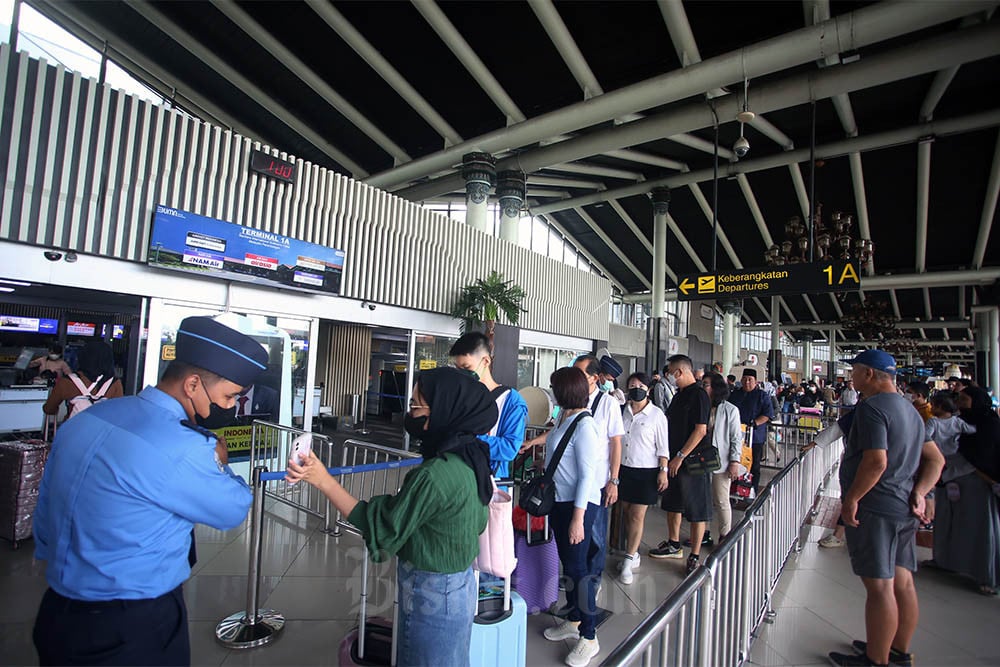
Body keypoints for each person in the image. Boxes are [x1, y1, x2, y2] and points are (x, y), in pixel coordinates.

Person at [32, 316, 267, 666]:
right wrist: (220, 460)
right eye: (229, 395)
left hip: (56, 612)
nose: (231, 406)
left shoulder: (90, 419)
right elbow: (232, 509)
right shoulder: (184, 446)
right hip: (131, 625)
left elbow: (46, 518)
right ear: (192, 385)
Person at [288, 366, 497, 667]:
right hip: (461, 587)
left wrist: (322, 479)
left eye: (415, 406)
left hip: (432, 594)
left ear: (445, 410)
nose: (409, 413)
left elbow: (380, 526)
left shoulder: (435, 475)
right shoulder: (472, 458)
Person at [828, 350, 944, 667]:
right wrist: (921, 492)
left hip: (877, 507)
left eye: (854, 371)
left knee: (879, 587)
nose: (850, 377)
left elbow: (876, 461)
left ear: (868, 374)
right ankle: (897, 650)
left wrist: (851, 498)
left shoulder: (873, 409)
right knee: (902, 582)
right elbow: (936, 460)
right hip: (904, 506)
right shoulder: (911, 411)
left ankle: (875, 660)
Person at [539, 367, 605, 667]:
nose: (551, 389)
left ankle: (589, 636)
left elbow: (587, 477)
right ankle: (575, 618)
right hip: (560, 503)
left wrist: (578, 519)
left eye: (554, 386)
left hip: (578, 506)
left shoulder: (585, 425)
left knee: (579, 570)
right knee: (570, 563)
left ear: (564, 390)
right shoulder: (564, 417)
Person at [931, 386, 1000, 596]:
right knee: (948, 522)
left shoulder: (989, 424)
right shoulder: (960, 420)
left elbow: (985, 455)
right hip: (950, 478)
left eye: (964, 398)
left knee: (979, 528)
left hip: (977, 482)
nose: (959, 402)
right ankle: (945, 560)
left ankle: (987, 576)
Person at [648, 354, 713, 574]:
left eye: (671, 372)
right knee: (672, 502)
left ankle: (695, 554)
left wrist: (680, 455)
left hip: (693, 461)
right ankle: (673, 544)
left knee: (697, 507)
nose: (669, 376)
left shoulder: (699, 395)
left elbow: (700, 430)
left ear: (681, 372)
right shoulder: (679, 395)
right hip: (675, 459)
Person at [449, 331, 528, 479]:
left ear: (486, 361)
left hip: (490, 483)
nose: (461, 374)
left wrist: (467, 440)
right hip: (457, 478)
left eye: (466, 368)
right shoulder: (459, 396)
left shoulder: (511, 401)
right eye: (457, 369)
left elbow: (510, 448)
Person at [616, 372, 669, 585]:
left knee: (637, 515)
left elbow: (663, 446)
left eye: (640, 385)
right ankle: (633, 552)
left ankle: (628, 560)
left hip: (646, 472)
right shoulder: (622, 412)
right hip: (623, 469)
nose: (636, 388)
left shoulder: (657, 416)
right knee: (627, 513)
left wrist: (663, 470)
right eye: (632, 385)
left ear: (648, 390)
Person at [702, 372, 744, 540]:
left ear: (716, 387)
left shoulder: (730, 410)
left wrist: (735, 461)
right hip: (701, 459)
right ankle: (702, 533)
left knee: (721, 499)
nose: (703, 387)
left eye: (706, 384)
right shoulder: (702, 406)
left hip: (722, 461)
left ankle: (724, 535)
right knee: (703, 499)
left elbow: (736, 437)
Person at [42, 340, 124, 421]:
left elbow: (49, 409)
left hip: (72, 431)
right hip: (102, 432)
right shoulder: (114, 383)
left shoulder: (67, 381)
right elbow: (118, 412)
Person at [728, 368, 774, 494]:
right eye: (744, 379)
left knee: (754, 465)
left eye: (750, 380)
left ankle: (751, 490)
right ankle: (734, 490)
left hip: (755, 437)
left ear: (756, 381)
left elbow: (768, 414)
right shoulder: (735, 394)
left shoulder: (762, 396)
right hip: (736, 437)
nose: (747, 382)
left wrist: (754, 423)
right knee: (735, 463)